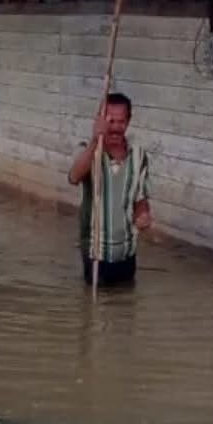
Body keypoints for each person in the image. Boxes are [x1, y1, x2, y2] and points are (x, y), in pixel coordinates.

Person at [67, 93, 153, 286]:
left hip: (127, 253)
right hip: (96, 256)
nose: (115, 128)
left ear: (129, 121)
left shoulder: (139, 155)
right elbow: (74, 177)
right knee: (95, 310)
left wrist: (144, 214)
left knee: (126, 308)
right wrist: (95, 139)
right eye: (110, 121)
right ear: (100, 120)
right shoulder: (88, 151)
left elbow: (140, 198)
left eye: (121, 122)